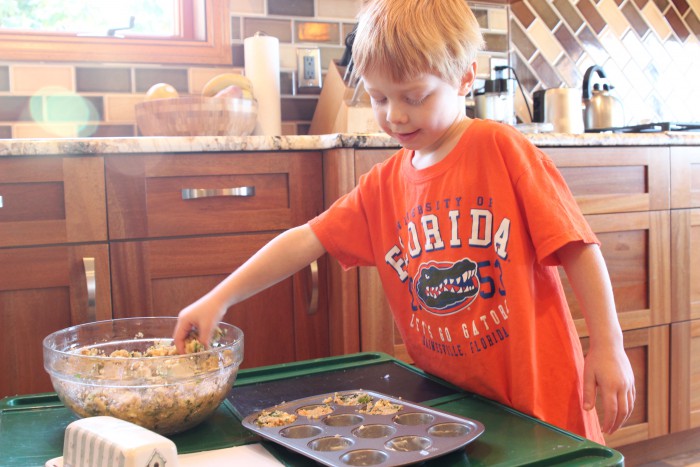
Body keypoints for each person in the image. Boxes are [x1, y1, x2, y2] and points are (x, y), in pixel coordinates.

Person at [174, 0, 635, 444]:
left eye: (414, 96)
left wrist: (608, 344)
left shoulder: (502, 150)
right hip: (453, 408)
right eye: (378, 97)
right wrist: (221, 297)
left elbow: (578, 245)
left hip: (540, 406)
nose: (394, 114)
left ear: (464, 79)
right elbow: (306, 239)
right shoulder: (384, 185)